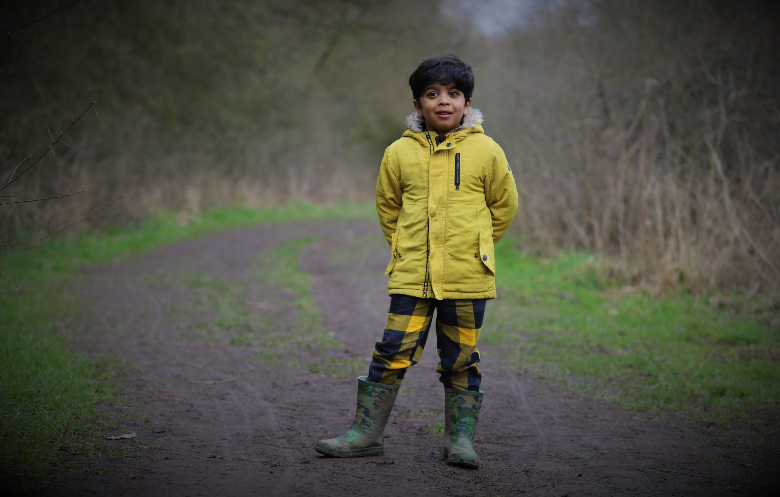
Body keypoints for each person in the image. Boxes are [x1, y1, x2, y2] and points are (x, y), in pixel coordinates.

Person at [315, 54, 518, 469]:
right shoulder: (398, 153)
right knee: (392, 351)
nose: (443, 101)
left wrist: (476, 247)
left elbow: (504, 206)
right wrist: (409, 248)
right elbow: (388, 208)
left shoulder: (486, 150)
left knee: (461, 357)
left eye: (453, 94)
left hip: (467, 277)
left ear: (467, 103)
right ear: (417, 103)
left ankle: (459, 440)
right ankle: (365, 433)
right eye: (432, 94)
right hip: (412, 278)